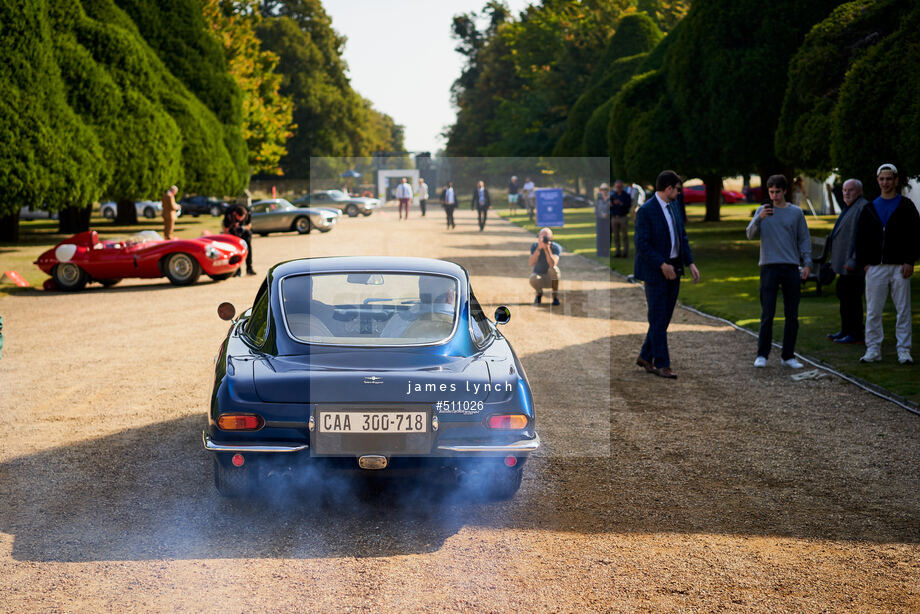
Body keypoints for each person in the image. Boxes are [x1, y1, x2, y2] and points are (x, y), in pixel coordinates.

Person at [634, 170, 700, 379]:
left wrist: (690, 262)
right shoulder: (646, 211)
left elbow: (683, 236)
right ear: (669, 188)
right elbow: (642, 244)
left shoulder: (675, 207)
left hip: (675, 268)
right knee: (658, 317)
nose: (679, 193)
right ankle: (662, 364)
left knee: (663, 318)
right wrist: (662, 264)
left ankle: (646, 355)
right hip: (655, 271)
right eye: (678, 189)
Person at [854, 163, 920, 365]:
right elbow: (861, 239)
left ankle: (904, 350)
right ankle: (873, 349)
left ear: (896, 180)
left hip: (900, 266)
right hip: (875, 267)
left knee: (903, 310)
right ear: (877, 181)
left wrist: (910, 261)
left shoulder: (906, 206)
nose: (885, 182)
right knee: (873, 310)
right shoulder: (869, 208)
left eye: (889, 178)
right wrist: (865, 263)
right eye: (882, 179)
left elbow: (915, 236)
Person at [746, 174, 812, 369]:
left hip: (791, 266)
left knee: (792, 314)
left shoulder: (796, 213)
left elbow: (804, 239)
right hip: (768, 266)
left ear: (784, 191)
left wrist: (807, 263)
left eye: (777, 192)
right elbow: (749, 234)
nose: (774, 196)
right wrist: (759, 218)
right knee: (768, 313)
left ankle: (788, 355)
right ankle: (762, 354)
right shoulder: (762, 211)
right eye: (771, 192)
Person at [826, 178, 869, 344]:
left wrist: (853, 260)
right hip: (842, 264)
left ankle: (856, 333)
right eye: (844, 190)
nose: (846, 193)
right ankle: (845, 330)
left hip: (854, 266)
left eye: (850, 190)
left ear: (859, 191)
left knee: (853, 299)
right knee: (843, 297)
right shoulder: (849, 206)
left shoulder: (862, 207)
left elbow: (864, 239)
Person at [529, 227, 562, 305]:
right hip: (539, 276)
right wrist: (539, 249)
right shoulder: (535, 246)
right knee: (533, 278)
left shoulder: (555, 247)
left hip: (551, 278)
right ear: (538, 237)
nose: (544, 239)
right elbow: (531, 263)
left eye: (546, 237)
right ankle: (539, 294)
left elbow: (552, 264)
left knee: (554, 269)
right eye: (542, 237)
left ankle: (555, 296)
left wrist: (547, 250)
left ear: (551, 238)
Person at [222, 204, 255, 276]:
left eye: (241, 217)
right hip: (233, 232)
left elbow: (249, 225)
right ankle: (237, 271)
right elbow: (225, 229)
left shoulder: (248, 212)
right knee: (236, 251)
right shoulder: (229, 214)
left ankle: (249, 269)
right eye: (238, 217)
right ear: (235, 214)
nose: (240, 219)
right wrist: (229, 239)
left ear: (245, 214)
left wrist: (243, 228)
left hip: (244, 232)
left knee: (248, 249)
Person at [610, 180, 632, 258]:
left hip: (623, 217)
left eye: (619, 187)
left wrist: (620, 203)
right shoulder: (613, 195)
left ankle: (625, 252)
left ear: (622, 187)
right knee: (616, 236)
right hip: (614, 218)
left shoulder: (626, 195)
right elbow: (610, 206)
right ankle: (617, 252)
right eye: (617, 187)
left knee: (624, 236)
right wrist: (611, 205)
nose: (618, 188)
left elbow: (629, 205)